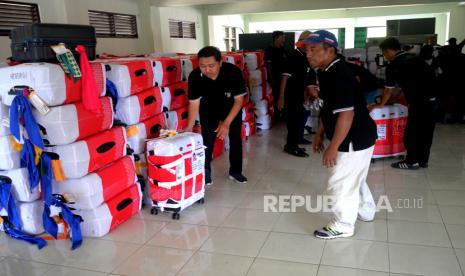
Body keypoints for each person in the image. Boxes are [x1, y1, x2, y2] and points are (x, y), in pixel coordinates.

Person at [305, 30, 378, 239]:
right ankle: (366, 211)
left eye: (314, 49)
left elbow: (346, 114)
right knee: (356, 177)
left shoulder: (339, 74)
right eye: (307, 50)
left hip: (353, 138)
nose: (309, 54)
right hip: (361, 134)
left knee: (341, 182)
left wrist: (333, 147)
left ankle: (343, 224)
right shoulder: (326, 70)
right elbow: (328, 107)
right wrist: (320, 133)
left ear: (330, 50)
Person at [371, 37, 437, 169]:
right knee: (426, 132)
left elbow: (388, 91)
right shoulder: (416, 59)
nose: (385, 56)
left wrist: (381, 104)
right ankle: (423, 161)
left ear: (389, 50)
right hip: (434, 100)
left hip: (419, 102)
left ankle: (411, 161)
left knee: (412, 132)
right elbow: (407, 85)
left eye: (384, 53)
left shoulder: (394, 65)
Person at [185, 46, 247, 185]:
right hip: (209, 110)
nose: (207, 70)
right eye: (202, 66)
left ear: (220, 62)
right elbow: (194, 103)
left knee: (235, 138)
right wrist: (189, 127)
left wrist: (226, 123)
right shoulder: (195, 76)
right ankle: (205, 173)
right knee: (207, 141)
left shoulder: (233, 72)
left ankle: (235, 172)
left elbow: (239, 101)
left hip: (231, 109)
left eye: (211, 65)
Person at [277, 30, 317, 157]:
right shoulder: (293, 56)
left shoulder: (305, 57)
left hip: (299, 96)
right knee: (293, 122)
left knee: (298, 120)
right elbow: (285, 77)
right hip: (290, 96)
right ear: (302, 43)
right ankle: (290, 147)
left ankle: (295, 143)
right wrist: (281, 97)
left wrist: (307, 96)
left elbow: (305, 80)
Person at [265, 31, 288, 119]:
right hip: (275, 78)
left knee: (284, 96)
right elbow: (269, 65)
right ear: (276, 38)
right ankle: (277, 115)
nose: (283, 40)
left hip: (284, 77)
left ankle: (283, 114)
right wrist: (271, 79)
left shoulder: (282, 49)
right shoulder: (269, 49)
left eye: (284, 38)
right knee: (276, 96)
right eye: (282, 37)